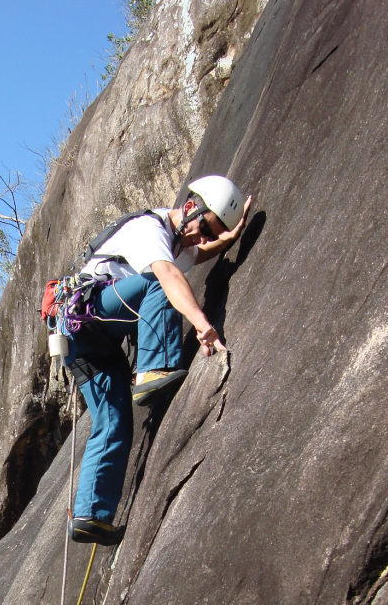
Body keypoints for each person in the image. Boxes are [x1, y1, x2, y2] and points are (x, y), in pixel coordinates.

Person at [65, 175, 252, 546]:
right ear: (188, 208)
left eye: (210, 232)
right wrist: (201, 324)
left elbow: (199, 253)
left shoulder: (179, 241)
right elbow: (166, 273)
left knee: (113, 421)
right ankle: (153, 367)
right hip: (91, 315)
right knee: (159, 281)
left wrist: (228, 238)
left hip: (85, 344)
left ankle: (90, 515)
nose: (202, 237)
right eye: (205, 227)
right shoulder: (150, 228)